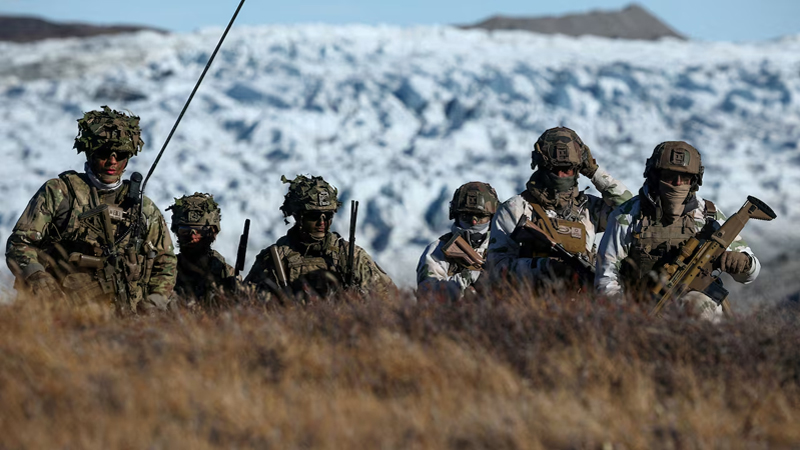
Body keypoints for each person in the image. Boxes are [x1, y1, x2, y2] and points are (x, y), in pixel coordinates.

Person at [5, 105, 176, 314]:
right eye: (104, 153)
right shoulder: (61, 192)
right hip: (60, 314)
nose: (112, 161)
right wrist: (37, 277)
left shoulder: (143, 208)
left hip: (127, 318)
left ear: (128, 157)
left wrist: (155, 300)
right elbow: (20, 243)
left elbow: (165, 261)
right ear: (90, 152)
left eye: (120, 154)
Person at [595, 141, 760, 320]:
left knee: (699, 305)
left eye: (685, 178)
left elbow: (750, 274)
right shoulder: (628, 215)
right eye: (669, 176)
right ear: (654, 176)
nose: (677, 183)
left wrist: (744, 263)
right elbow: (606, 276)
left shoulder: (708, 215)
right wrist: (623, 316)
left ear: (694, 181)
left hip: (694, 305)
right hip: (641, 308)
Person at [487, 126, 632, 288]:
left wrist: (594, 172)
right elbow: (495, 268)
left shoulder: (589, 209)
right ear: (542, 166)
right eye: (555, 169)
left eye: (568, 169)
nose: (562, 175)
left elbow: (629, 210)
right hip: (530, 302)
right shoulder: (515, 208)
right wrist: (543, 267)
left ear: (578, 169)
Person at [245, 175, 395, 301]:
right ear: (298, 216)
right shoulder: (275, 258)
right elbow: (248, 305)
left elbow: (390, 299)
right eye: (314, 216)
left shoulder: (351, 256)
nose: (322, 222)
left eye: (328, 215)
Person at [416, 181, 498, 299]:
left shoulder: (503, 246)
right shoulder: (438, 250)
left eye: (481, 216)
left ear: (492, 217)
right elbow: (427, 295)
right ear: (455, 215)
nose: (474, 222)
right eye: (466, 216)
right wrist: (466, 279)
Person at [167, 193, 239, 308]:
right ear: (177, 233)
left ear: (212, 233)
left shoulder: (225, 273)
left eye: (199, 231)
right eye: (185, 232)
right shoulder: (164, 271)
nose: (192, 238)